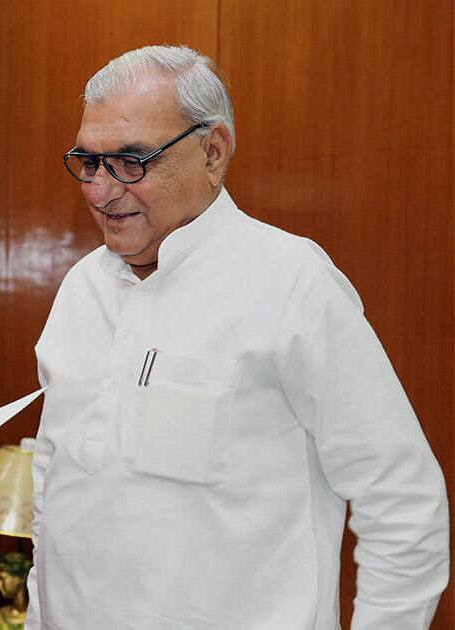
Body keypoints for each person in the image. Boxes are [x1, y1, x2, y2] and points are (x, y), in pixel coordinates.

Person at [26, 45, 449, 629]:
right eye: (89, 162)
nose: (100, 190)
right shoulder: (80, 288)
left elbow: (403, 503)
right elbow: (55, 485)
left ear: (213, 151)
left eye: (131, 161)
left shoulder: (292, 282)